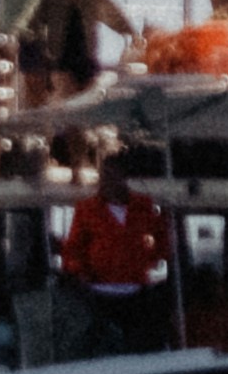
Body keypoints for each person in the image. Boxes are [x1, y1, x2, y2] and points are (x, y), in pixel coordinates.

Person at [59, 149, 177, 357]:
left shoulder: (143, 206)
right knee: (102, 344)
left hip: (135, 290)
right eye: (104, 176)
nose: (108, 181)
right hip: (99, 292)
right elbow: (73, 249)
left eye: (113, 175)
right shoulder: (87, 209)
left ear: (124, 177)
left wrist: (150, 258)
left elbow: (162, 237)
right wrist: (81, 273)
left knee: (139, 344)